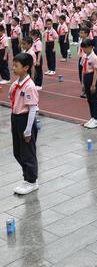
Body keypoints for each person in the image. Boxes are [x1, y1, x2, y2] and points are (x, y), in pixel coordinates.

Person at [10, 53, 39, 195]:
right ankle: (27, 177)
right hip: (15, 118)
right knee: (17, 151)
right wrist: (12, 86)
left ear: (26, 68)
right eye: (13, 65)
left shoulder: (29, 86)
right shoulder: (17, 83)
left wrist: (28, 130)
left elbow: (33, 108)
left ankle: (32, 181)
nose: (13, 68)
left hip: (25, 119)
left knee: (28, 152)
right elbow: (12, 96)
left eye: (16, 66)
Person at [81, 39, 97, 129]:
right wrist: (82, 83)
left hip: (92, 77)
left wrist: (93, 84)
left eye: (85, 48)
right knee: (89, 99)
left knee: (94, 99)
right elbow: (82, 69)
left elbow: (96, 71)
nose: (84, 50)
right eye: (83, 48)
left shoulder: (94, 57)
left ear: (90, 47)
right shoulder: (84, 56)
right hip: (86, 77)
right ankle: (92, 117)